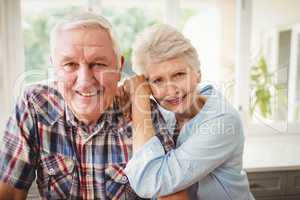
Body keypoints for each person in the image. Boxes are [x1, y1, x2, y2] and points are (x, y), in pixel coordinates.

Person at [0, 12, 178, 199]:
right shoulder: (34, 105)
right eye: (69, 64)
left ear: (119, 67)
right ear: (54, 68)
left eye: (99, 64)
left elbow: (171, 195)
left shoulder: (143, 111)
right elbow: (10, 193)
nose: (85, 81)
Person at [124, 24, 254, 200]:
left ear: (198, 74)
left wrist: (138, 97)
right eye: (158, 80)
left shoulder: (222, 121)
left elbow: (150, 182)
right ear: (149, 86)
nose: (171, 90)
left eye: (179, 74)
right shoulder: (168, 114)